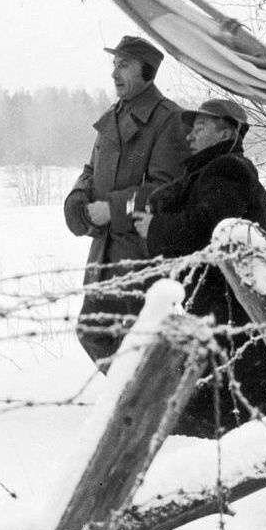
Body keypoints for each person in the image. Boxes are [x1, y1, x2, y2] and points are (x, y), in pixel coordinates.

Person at [132, 99, 266, 438]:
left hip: (236, 315)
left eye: (200, 127)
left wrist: (155, 228)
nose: (190, 135)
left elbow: (207, 229)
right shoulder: (212, 171)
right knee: (231, 421)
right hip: (229, 313)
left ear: (226, 131)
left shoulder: (228, 169)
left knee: (240, 426)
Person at [63, 35, 190, 369]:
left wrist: (114, 210)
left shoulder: (168, 120)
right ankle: (137, 404)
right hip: (106, 253)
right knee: (94, 332)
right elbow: (91, 170)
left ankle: (147, 408)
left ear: (146, 71)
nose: (115, 73)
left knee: (137, 345)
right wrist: (77, 199)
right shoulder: (113, 116)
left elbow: (168, 190)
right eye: (114, 64)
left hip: (142, 254)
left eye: (124, 65)